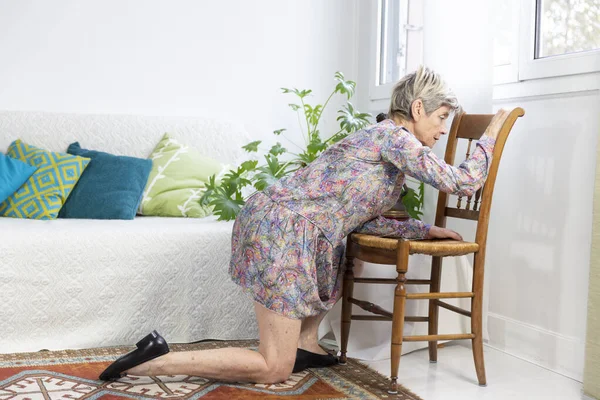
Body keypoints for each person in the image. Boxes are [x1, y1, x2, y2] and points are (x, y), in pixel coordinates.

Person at [99, 66, 510, 384]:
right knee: (274, 367)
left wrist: (424, 231)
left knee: (337, 263)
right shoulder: (395, 139)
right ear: (417, 108)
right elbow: (464, 181)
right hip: (281, 228)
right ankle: (158, 360)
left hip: (286, 225)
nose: (441, 128)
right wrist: (490, 134)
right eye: (440, 117)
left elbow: (367, 218)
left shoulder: (389, 151)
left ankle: (305, 346)